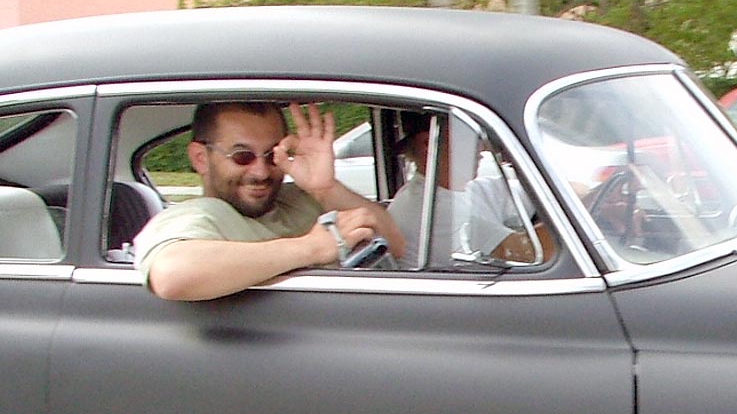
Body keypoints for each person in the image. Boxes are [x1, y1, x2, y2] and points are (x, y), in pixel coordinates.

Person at [133, 101, 402, 300]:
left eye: (272, 155)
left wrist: (325, 188)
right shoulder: (199, 216)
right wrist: (313, 247)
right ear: (201, 158)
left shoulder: (300, 199)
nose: (261, 172)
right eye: (242, 156)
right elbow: (171, 274)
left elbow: (396, 245)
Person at [387, 112, 545, 268]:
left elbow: (537, 195)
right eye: (470, 135)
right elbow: (528, 253)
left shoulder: (462, 190)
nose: (481, 148)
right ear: (429, 143)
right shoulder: (430, 211)